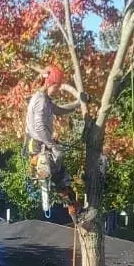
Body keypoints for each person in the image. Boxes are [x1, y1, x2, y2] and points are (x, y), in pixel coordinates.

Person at [24, 65, 84, 217]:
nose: (57, 90)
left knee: (62, 177)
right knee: (56, 172)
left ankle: (75, 210)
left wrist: (78, 103)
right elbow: (39, 127)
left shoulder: (45, 100)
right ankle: (73, 209)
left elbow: (59, 110)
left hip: (42, 143)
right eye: (56, 87)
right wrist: (52, 145)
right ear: (50, 83)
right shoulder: (40, 100)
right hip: (37, 145)